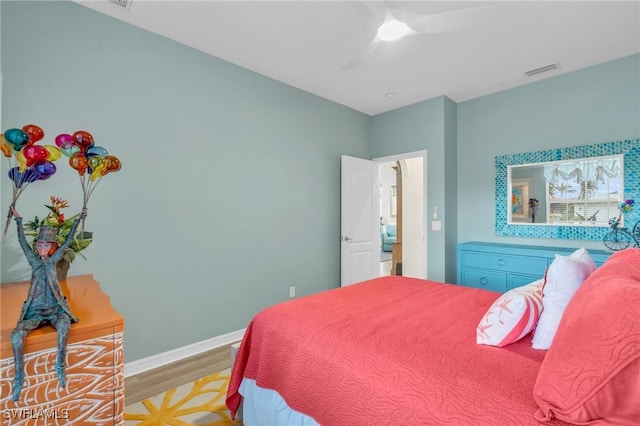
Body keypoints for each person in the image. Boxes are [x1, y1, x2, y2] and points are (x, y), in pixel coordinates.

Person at [9, 204, 87, 402]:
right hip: (34, 313)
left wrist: (77, 220)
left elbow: (68, 239)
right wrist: (18, 220)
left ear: (53, 248)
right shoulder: (33, 261)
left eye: (46, 245)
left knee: (64, 327)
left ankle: (60, 367)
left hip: (55, 310)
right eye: (39, 245)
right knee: (17, 337)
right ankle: (19, 378)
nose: (41, 248)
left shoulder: (53, 261)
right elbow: (21, 241)